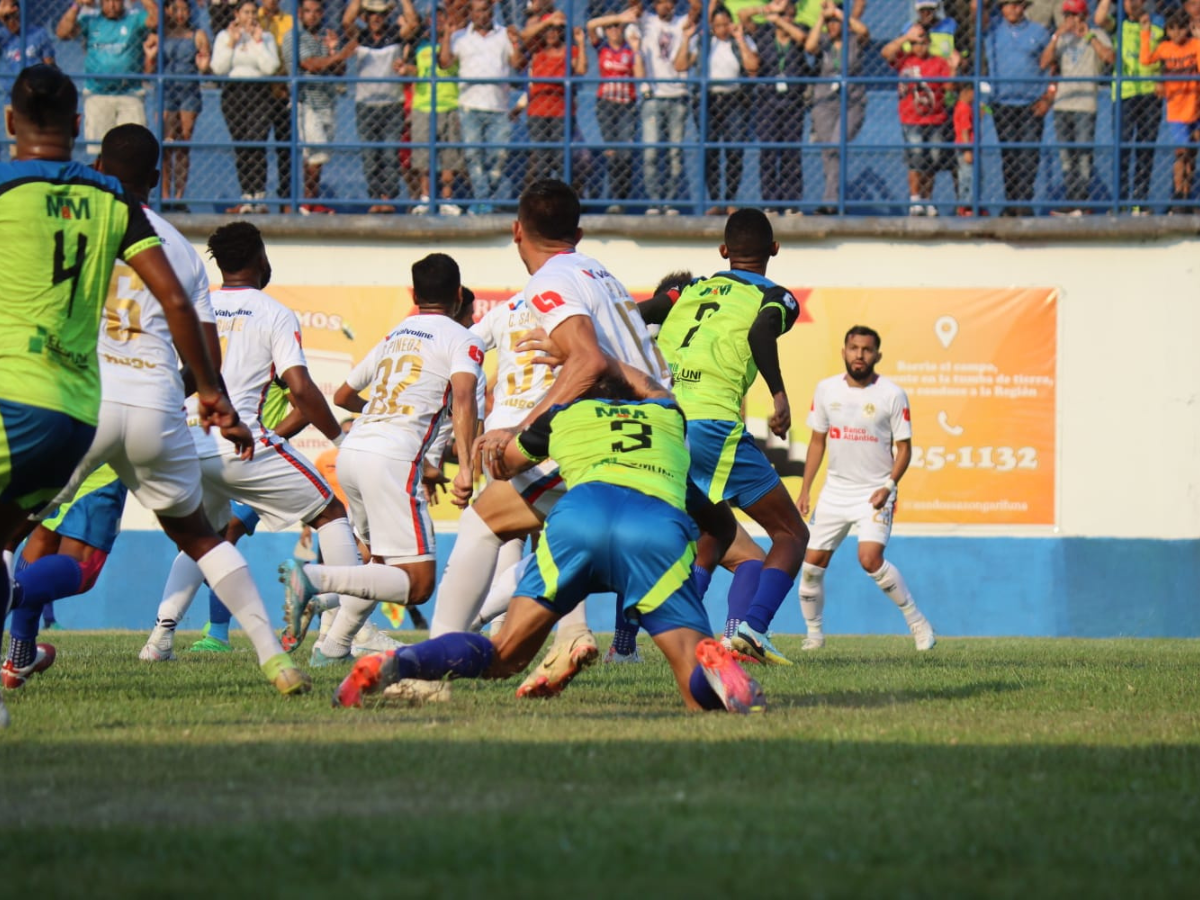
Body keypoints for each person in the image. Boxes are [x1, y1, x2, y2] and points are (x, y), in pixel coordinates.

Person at [26, 121, 311, 699]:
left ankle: (15, 645)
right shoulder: (179, 248)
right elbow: (201, 344)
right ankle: (275, 659)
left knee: (16, 523)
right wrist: (218, 402)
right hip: (158, 406)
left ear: (97, 165)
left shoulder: (78, 224)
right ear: (157, 179)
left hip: (85, 403)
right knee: (203, 539)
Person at [0, 68, 231, 727]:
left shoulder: (7, 188)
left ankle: (15, 639)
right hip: (81, 409)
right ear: (78, 130)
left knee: (29, 541)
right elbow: (178, 304)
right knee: (61, 554)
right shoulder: (115, 206)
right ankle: (16, 648)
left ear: (11, 122)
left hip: (21, 398)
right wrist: (209, 391)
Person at [332, 378, 766, 715]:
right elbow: (719, 525)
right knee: (696, 692)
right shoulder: (670, 418)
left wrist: (501, 441)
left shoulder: (563, 415)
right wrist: (697, 573)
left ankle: (396, 663)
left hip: (579, 516)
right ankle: (708, 662)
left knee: (504, 655)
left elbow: (508, 466)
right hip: (654, 525)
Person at [431, 179, 671, 699]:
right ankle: (575, 634)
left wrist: (525, 430)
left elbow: (586, 359)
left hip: (610, 438)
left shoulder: (548, 282)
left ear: (517, 231)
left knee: (484, 519)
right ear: (578, 233)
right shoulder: (600, 275)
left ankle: (432, 669)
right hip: (658, 434)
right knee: (584, 539)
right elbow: (603, 359)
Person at [140, 220, 369, 667]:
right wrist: (340, 437)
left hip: (188, 443)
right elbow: (300, 388)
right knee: (329, 512)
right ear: (261, 257)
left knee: (200, 536)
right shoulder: (273, 312)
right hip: (241, 444)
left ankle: (159, 639)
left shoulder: (196, 306)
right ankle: (334, 634)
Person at [280, 253, 483, 663]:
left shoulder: (398, 332)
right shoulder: (464, 338)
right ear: (459, 296)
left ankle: (333, 645)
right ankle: (314, 580)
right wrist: (464, 468)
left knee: (379, 567)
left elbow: (343, 397)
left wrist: (386, 412)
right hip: (392, 459)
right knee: (418, 583)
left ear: (414, 294)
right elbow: (463, 398)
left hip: (354, 452)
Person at [640, 209, 807, 665]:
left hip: (663, 422)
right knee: (790, 533)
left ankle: (652, 633)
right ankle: (753, 630)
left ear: (723, 252)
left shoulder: (687, 291)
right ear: (775, 250)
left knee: (714, 527)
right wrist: (779, 395)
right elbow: (760, 332)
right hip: (711, 424)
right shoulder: (776, 296)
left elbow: (638, 314)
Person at [796, 325, 935, 652]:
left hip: (874, 491)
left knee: (869, 559)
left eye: (867, 349)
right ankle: (814, 636)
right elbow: (817, 442)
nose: (860, 355)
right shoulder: (826, 389)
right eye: (854, 348)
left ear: (877, 355)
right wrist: (805, 490)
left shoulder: (891, 394)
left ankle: (918, 623)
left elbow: (904, 449)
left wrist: (889, 486)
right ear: (844, 351)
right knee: (811, 569)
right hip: (835, 493)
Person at [440, 0, 526, 214]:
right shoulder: (460, 36)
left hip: (499, 106)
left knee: (498, 158)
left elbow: (518, 64)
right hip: (470, 106)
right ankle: (483, 202)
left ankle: (484, 198)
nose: (482, 15)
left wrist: (516, 44)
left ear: (492, 10)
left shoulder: (504, 34)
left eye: (485, 10)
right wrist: (447, 35)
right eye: (477, 10)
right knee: (473, 156)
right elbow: (444, 63)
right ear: (471, 13)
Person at [677, 2, 759, 215]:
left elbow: (752, 66)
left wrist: (740, 38)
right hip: (709, 100)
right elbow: (680, 65)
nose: (722, 29)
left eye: (725, 24)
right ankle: (715, 201)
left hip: (734, 99)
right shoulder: (704, 43)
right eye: (718, 25)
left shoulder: (742, 39)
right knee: (710, 150)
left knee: (734, 151)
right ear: (712, 25)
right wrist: (686, 39)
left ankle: (730, 199)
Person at [344, 0, 420, 214]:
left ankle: (387, 197)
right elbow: (347, 21)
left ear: (387, 15)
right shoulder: (360, 37)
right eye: (371, 14)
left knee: (389, 154)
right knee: (370, 156)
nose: (376, 18)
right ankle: (375, 197)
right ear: (365, 15)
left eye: (380, 14)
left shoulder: (394, 34)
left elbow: (413, 23)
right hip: (366, 105)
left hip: (391, 104)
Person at [1040, 0, 1114, 215]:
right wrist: (1056, 36)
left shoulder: (1096, 35)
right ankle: (1072, 201)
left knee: (1083, 155)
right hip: (1063, 103)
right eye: (1068, 15)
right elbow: (1044, 62)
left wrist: (1089, 36)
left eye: (1076, 15)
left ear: (1084, 16)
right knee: (1066, 156)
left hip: (1085, 104)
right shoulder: (1061, 39)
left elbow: (1109, 58)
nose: (1072, 20)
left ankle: (1082, 202)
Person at [284, 0, 357, 214]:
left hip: (327, 102)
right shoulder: (294, 37)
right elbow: (310, 64)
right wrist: (340, 54)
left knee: (320, 157)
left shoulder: (325, 37)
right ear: (299, 13)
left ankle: (311, 200)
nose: (313, 16)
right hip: (306, 102)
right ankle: (306, 202)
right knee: (314, 154)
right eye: (308, 11)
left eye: (317, 11)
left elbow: (338, 70)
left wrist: (334, 51)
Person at [56, 0, 158, 152]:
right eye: (107, 1)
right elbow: (62, 33)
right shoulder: (90, 21)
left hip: (130, 94)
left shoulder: (134, 19)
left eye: (116, 1)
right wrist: (77, 5)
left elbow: (156, 20)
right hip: (98, 95)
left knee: (135, 150)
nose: (112, 5)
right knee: (100, 152)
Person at [982, 0, 1052, 216]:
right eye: (1008, 4)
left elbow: (1053, 65)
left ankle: (1024, 202)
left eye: (1018, 4)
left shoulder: (1039, 32)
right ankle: (1011, 203)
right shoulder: (991, 29)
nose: (1013, 8)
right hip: (1003, 103)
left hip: (1032, 103)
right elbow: (976, 13)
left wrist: (1048, 98)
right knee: (1009, 156)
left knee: (1029, 156)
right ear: (1001, 8)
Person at [740, 0, 810, 215]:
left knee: (791, 151)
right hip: (767, 101)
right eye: (783, 14)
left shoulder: (799, 31)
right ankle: (770, 200)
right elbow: (743, 16)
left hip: (793, 102)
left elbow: (803, 39)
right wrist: (766, 10)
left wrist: (781, 20)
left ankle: (791, 201)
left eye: (790, 15)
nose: (786, 18)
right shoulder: (764, 33)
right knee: (768, 151)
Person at [211, 0, 281, 214]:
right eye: (246, 12)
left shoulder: (266, 37)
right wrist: (232, 44)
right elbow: (218, 68)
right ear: (237, 14)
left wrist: (258, 42)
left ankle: (259, 197)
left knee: (256, 142)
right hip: (234, 93)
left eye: (253, 12)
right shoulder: (225, 36)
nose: (250, 16)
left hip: (259, 92)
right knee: (241, 145)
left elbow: (271, 67)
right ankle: (246, 196)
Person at [1095, 0, 1162, 215]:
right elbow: (1098, 19)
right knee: (1121, 149)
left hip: (1150, 94)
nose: (1133, 4)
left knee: (1145, 150)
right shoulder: (1118, 24)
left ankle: (1140, 202)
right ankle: (1120, 200)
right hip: (1125, 94)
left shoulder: (1158, 25)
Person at [637, 0, 703, 215]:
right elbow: (633, 6)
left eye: (671, 2)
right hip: (653, 97)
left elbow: (696, 8)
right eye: (663, 2)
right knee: (651, 152)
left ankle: (670, 200)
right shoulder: (647, 21)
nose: (668, 6)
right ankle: (655, 201)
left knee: (675, 152)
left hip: (678, 96)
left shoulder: (681, 22)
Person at [144, 0, 211, 211]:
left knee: (183, 144)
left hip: (189, 93)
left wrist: (204, 67)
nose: (181, 14)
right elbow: (147, 73)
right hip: (166, 94)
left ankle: (179, 197)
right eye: (176, 9)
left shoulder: (197, 35)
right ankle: (164, 197)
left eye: (185, 9)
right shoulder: (158, 35)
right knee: (165, 143)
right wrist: (150, 58)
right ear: (168, 11)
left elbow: (207, 70)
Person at [806, 0, 870, 214]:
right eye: (830, 23)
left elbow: (864, 31)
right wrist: (821, 18)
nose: (832, 26)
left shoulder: (853, 41)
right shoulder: (824, 41)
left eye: (836, 22)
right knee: (828, 152)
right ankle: (832, 199)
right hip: (824, 102)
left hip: (851, 102)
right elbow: (809, 46)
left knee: (836, 145)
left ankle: (832, 200)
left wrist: (840, 14)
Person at [883, 23, 953, 216]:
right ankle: (915, 200)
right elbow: (885, 52)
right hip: (911, 118)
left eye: (923, 43)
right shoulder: (904, 60)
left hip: (935, 118)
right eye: (916, 44)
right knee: (916, 158)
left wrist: (954, 67)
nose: (919, 48)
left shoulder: (938, 62)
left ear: (929, 44)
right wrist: (907, 38)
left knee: (933, 159)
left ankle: (927, 199)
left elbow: (949, 87)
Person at [1141, 8, 1200, 211]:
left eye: (1181, 29)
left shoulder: (1195, 45)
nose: (1177, 34)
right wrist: (1145, 32)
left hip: (1196, 107)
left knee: (1191, 155)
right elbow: (1145, 59)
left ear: (1188, 29)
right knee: (1181, 153)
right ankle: (1177, 195)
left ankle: (1186, 194)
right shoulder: (1165, 47)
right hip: (1176, 110)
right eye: (1172, 29)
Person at [408, 6, 465, 216]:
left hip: (449, 103)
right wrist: (407, 70)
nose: (438, 23)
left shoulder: (457, 43)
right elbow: (414, 69)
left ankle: (447, 198)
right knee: (424, 156)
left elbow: (445, 63)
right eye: (434, 19)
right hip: (423, 105)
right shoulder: (418, 44)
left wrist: (448, 34)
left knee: (450, 156)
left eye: (442, 19)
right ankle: (426, 197)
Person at [587, 7, 644, 212]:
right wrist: (618, 17)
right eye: (610, 27)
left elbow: (639, 76)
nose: (613, 30)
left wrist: (636, 50)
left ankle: (622, 198)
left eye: (617, 27)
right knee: (611, 152)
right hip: (606, 105)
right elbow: (590, 26)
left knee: (625, 153)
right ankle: (614, 198)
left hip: (626, 105)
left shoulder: (630, 49)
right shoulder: (601, 47)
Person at [524, 13, 588, 188]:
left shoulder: (570, 51)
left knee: (562, 158)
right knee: (541, 159)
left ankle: (564, 196)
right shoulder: (536, 49)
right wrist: (548, 21)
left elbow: (582, 69)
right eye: (548, 31)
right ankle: (540, 198)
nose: (551, 34)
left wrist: (581, 43)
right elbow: (524, 36)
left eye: (555, 30)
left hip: (562, 111)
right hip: (538, 111)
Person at [0, 0, 56, 101]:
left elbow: (50, 64)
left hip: (36, 93)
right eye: (7, 18)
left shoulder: (38, 33)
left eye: (14, 16)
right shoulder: (3, 36)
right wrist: (2, 15)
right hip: (12, 94)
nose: (12, 21)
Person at [953, 79, 976, 214]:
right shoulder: (964, 108)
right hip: (966, 148)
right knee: (969, 178)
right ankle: (967, 206)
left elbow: (986, 112)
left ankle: (966, 204)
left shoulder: (964, 107)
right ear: (967, 92)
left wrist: (984, 107)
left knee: (966, 177)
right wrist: (968, 150)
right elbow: (964, 130)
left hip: (963, 147)